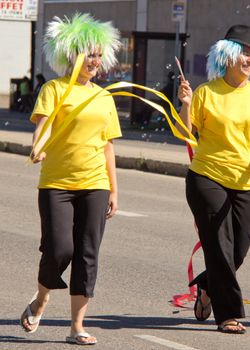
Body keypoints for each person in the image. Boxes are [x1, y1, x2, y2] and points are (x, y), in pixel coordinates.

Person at [177, 24, 250, 334]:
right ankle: (228, 315)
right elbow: (188, 132)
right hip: (207, 178)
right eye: (244, 52)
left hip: (246, 181)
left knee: (240, 245)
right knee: (220, 247)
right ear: (227, 56)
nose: (249, 59)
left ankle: (207, 285)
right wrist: (186, 105)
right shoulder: (206, 92)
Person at [20, 13, 121, 345]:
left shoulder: (104, 97)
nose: (93, 61)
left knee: (88, 253)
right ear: (70, 55)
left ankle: (77, 326)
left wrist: (113, 189)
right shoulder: (54, 89)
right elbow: (44, 125)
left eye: (96, 55)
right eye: (87, 53)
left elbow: (107, 146)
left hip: (95, 183)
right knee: (59, 249)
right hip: (57, 183)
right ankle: (41, 298)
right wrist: (38, 147)